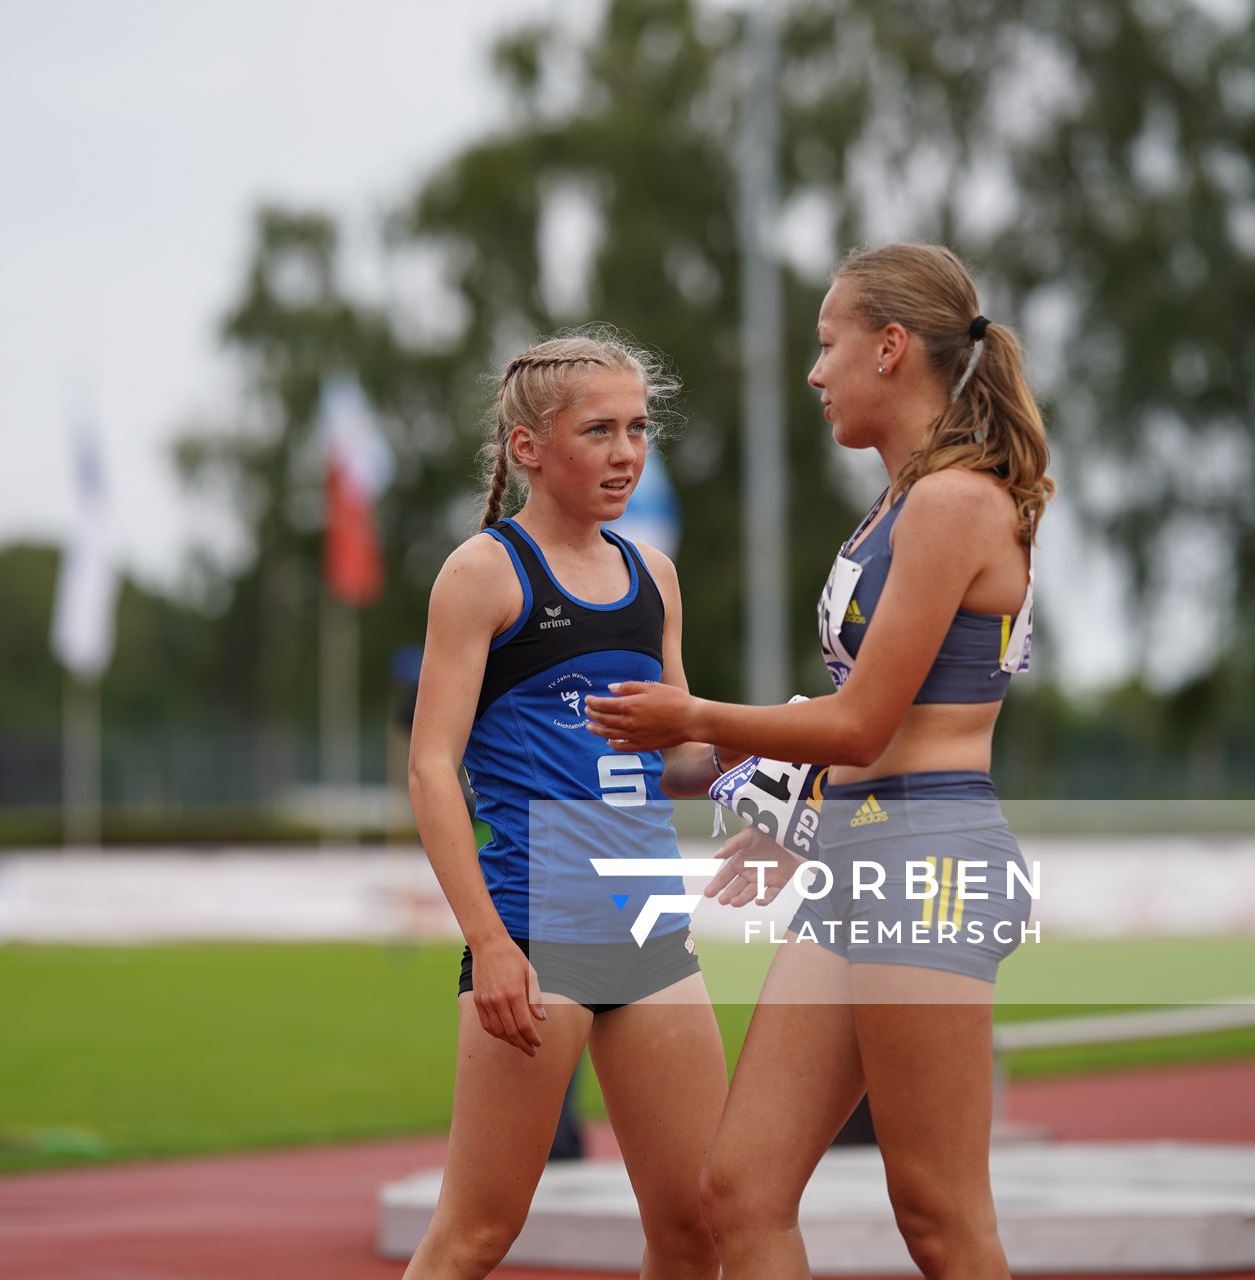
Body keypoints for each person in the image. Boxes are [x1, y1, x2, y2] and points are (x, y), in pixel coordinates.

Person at [586, 243, 1053, 1280]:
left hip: (925, 857)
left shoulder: (953, 503)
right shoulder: (900, 501)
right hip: (862, 851)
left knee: (938, 1214)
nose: (814, 371)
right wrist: (716, 756)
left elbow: (860, 725)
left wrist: (697, 715)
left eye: (826, 343)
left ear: (891, 349)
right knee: (739, 1194)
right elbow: (842, 731)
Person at [404, 328, 728, 1279]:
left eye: (639, 427)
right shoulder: (483, 574)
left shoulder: (654, 577)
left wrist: (771, 752)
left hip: (649, 924)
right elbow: (432, 770)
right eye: (600, 430)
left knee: (697, 1221)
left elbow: (675, 763)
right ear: (529, 449)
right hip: (538, 928)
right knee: (476, 1234)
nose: (628, 451)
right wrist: (491, 942)